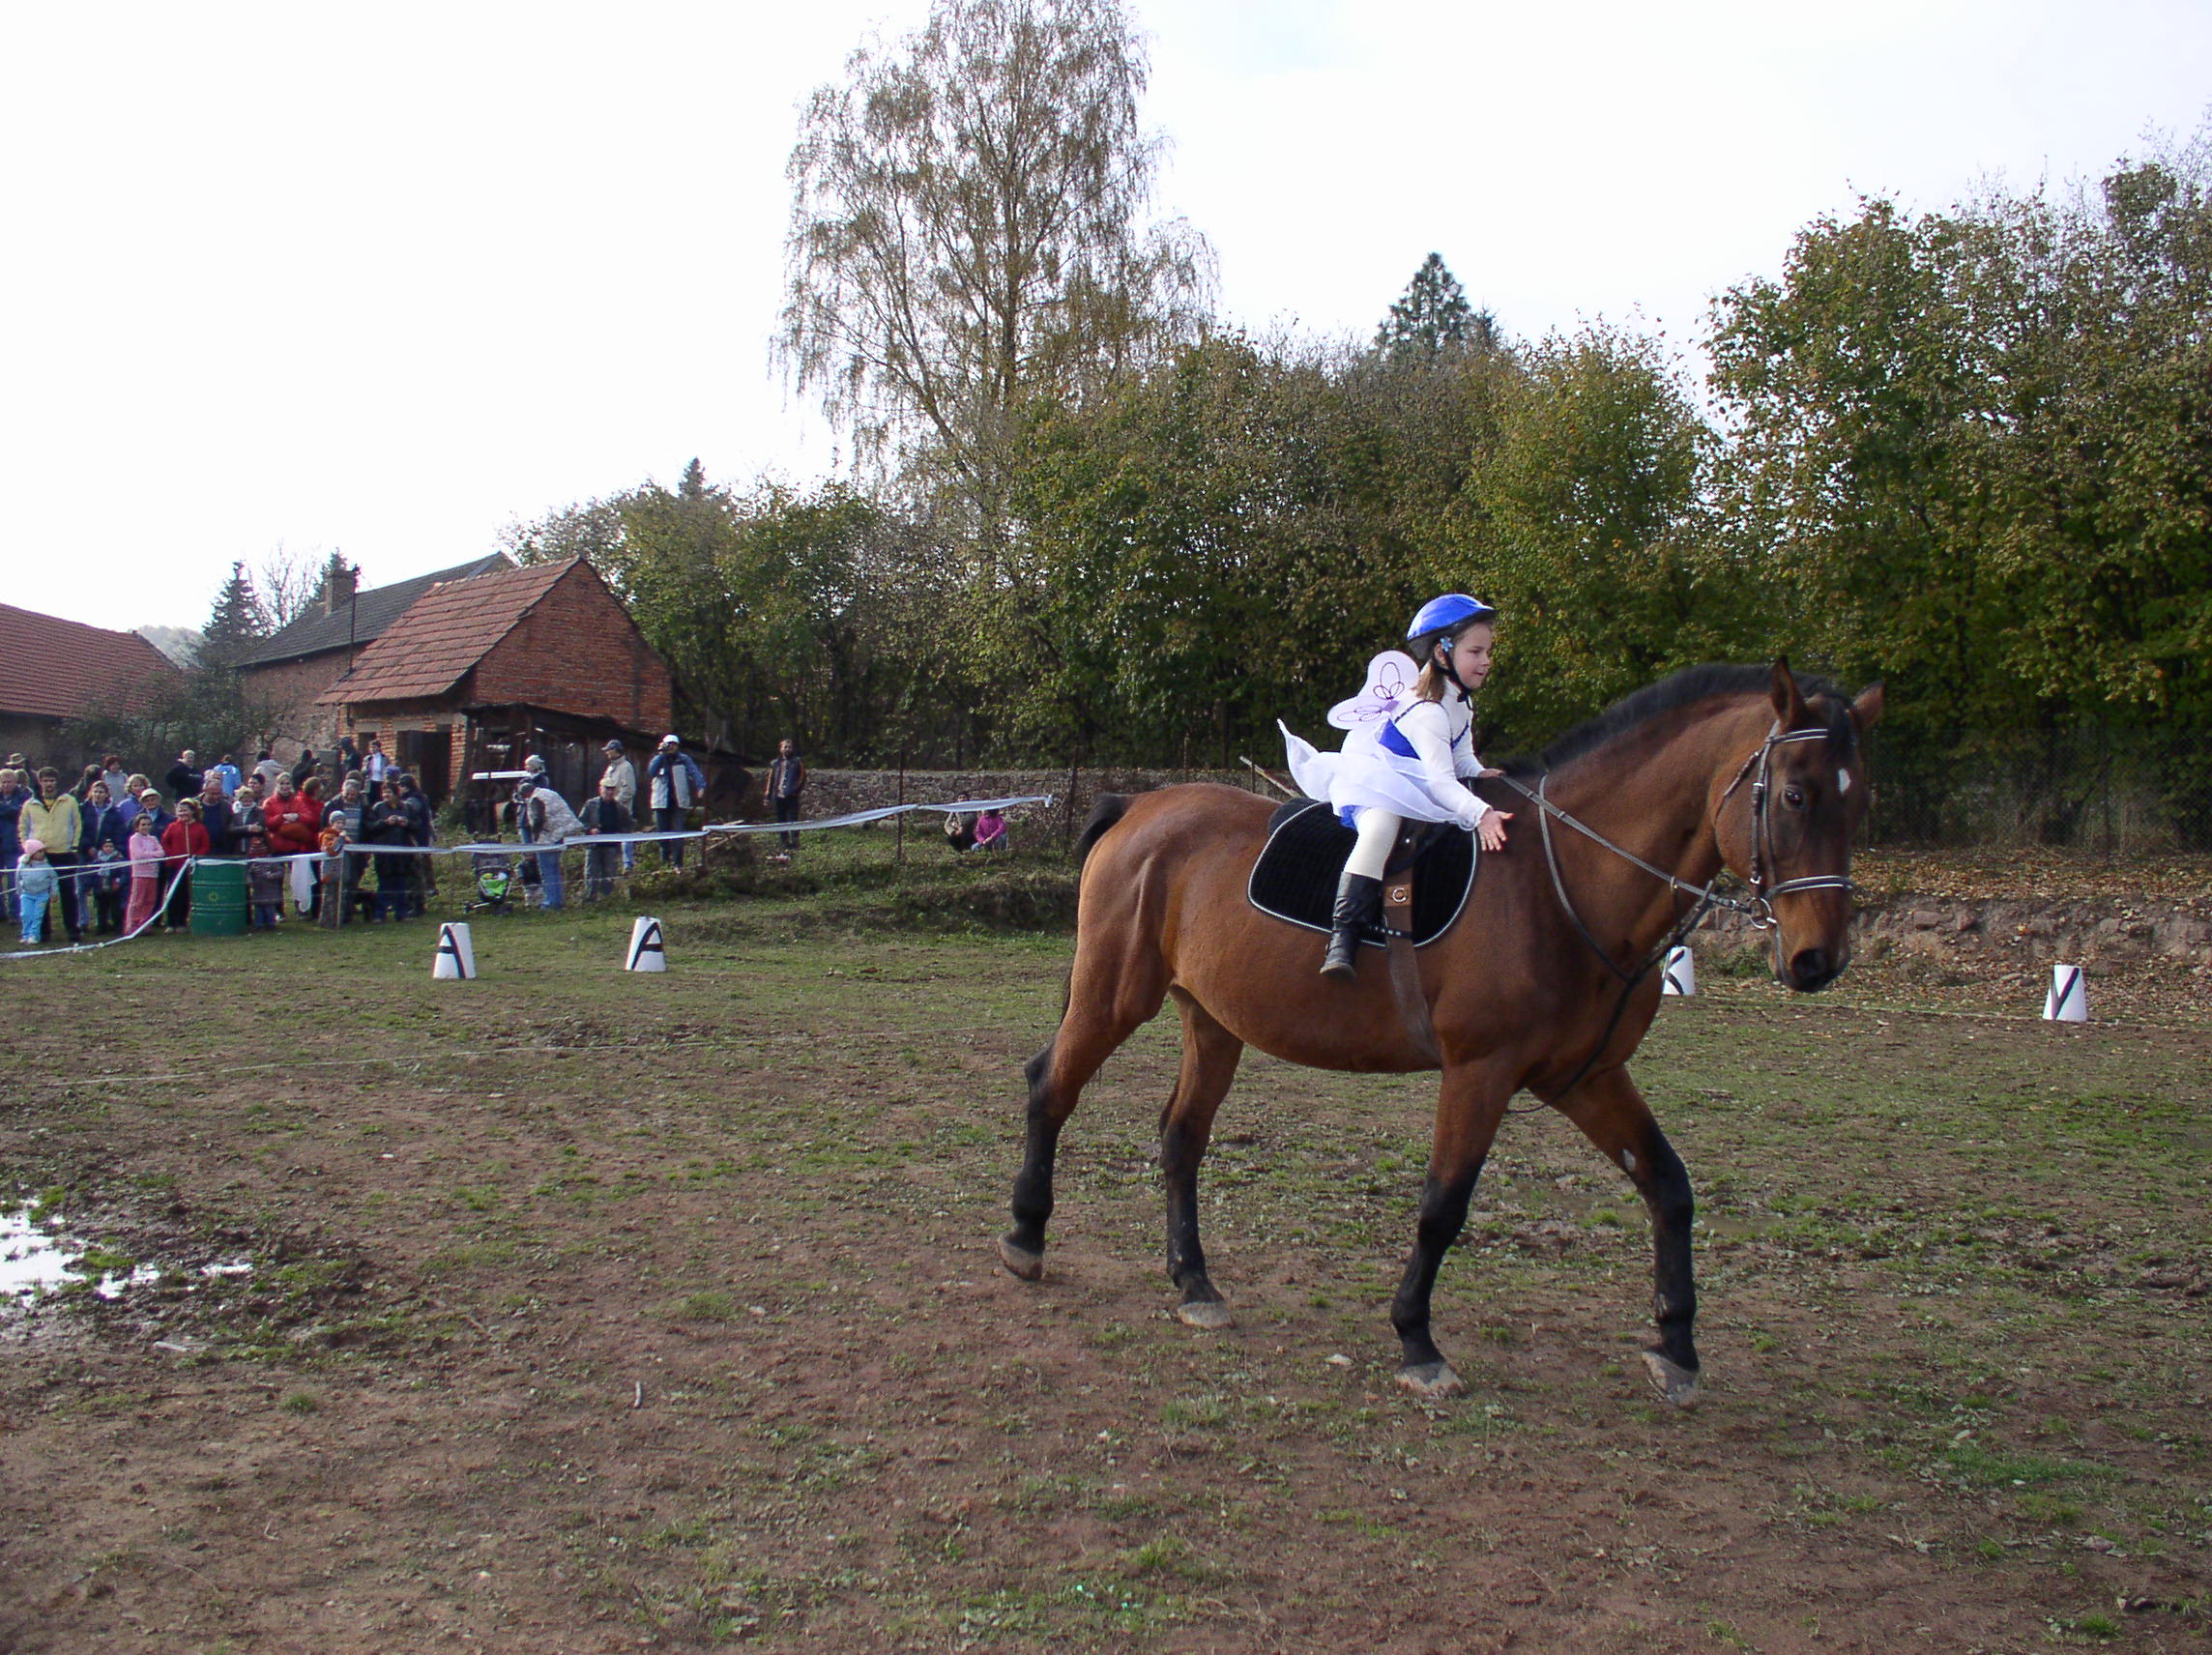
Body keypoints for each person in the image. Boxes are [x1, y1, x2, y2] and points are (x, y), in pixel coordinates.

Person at [1281, 594, 1513, 980]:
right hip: (1377, 782)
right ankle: (1343, 938)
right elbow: (1441, 782)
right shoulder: (1427, 711)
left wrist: (1483, 774)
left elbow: (1461, 760)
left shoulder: (1460, 703)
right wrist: (1482, 814)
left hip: (1415, 783)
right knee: (1380, 830)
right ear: (1442, 653)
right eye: (1476, 651)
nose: (1486, 660)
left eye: (1487, 650)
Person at [22, 769, 84, 944]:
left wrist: (74, 847)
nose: (49, 784)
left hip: (64, 853)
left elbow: (77, 824)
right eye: (45, 781)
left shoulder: (69, 801)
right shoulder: (30, 804)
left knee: (68, 894)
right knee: (41, 894)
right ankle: (43, 931)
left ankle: (72, 930)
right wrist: (29, 849)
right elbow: (23, 828)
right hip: (41, 856)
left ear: (56, 782)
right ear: (40, 782)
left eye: (52, 780)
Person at [513, 776, 579, 909]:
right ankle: (558, 900)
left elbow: (538, 819)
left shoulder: (534, 799)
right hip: (562, 833)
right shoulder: (548, 792)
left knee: (547, 870)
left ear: (526, 794)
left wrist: (535, 837)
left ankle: (552, 901)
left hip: (549, 838)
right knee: (555, 870)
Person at [646, 735, 705, 867]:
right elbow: (651, 771)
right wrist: (661, 754)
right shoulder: (658, 759)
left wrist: (700, 786)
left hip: (678, 802)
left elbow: (695, 772)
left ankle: (678, 864)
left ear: (678, 746)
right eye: (669, 744)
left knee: (678, 833)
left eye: (674, 744)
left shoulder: (684, 759)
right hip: (661, 802)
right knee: (662, 834)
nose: (671, 747)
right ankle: (664, 863)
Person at [363, 780, 415, 920]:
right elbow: (370, 827)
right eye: (384, 792)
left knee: (401, 884)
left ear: (396, 794)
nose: (386, 795)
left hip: (402, 852)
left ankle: (401, 913)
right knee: (384, 884)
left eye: (389, 792)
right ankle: (379, 914)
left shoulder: (406, 808)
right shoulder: (377, 808)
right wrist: (384, 823)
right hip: (384, 853)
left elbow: (417, 826)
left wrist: (407, 824)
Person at [160, 798, 212, 931]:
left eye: (185, 810)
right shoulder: (172, 827)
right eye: (180, 811)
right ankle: (171, 922)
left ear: (193, 812)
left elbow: (205, 845)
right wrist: (171, 856)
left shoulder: (200, 828)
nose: (182, 813)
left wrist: (195, 858)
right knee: (173, 893)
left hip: (190, 867)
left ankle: (182, 922)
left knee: (185, 894)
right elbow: (165, 842)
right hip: (174, 866)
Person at [578, 779, 632, 899]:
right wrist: (590, 830)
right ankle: (590, 898)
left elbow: (628, 825)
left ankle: (605, 898)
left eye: (612, 789)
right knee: (591, 873)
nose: (609, 792)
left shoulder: (620, 808)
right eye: (607, 788)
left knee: (609, 873)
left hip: (611, 846)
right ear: (600, 789)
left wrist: (621, 833)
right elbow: (580, 822)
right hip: (593, 845)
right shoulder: (591, 805)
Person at [238, 793, 280, 928]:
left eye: (249, 799)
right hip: (243, 854)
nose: (247, 801)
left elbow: (279, 870)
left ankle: (271, 922)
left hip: (268, 884)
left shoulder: (259, 813)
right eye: (244, 799)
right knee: (255, 900)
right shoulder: (235, 814)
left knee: (268, 903)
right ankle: (254, 922)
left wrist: (273, 874)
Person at [599, 740, 639, 872]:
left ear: (616, 750)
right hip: (609, 810)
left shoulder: (626, 767)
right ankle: (611, 865)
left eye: (609, 750)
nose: (607, 753)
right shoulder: (610, 768)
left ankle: (628, 864)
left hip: (623, 809)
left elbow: (629, 790)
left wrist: (616, 802)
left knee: (626, 835)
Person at [124, 814, 165, 934]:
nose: (146, 827)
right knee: (137, 900)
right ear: (137, 826)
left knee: (150, 900)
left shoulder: (153, 839)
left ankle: (145, 924)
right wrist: (152, 854)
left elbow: (161, 853)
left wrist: (149, 854)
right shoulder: (134, 839)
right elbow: (138, 855)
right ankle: (132, 926)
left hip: (153, 873)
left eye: (148, 824)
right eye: (143, 824)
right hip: (140, 873)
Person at [765, 739, 804, 854]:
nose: (787, 749)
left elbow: (802, 778)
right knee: (781, 819)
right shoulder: (775, 764)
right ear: (781, 749)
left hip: (791, 795)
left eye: (790, 747)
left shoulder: (797, 762)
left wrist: (795, 791)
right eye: (785, 747)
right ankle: (784, 841)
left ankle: (795, 840)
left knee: (793, 818)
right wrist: (768, 796)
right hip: (779, 795)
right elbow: (771, 780)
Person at [15, 840, 56, 946]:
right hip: (26, 895)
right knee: (26, 915)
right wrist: (19, 891)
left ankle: (34, 935)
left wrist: (54, 892)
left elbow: (54, 878)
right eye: (39, 851)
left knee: (37, 915)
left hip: (41, 895)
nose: (42, 854)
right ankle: (25, 935)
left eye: (43, 851)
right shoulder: (22, 866)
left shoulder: (46, 866)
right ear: (32, 853)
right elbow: (17, 878)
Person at [196, 772, 236, 857]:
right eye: (212, 794)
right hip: (199, 849)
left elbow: (231, 827)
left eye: (218, 793)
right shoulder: (194, 805)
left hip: (221, 850)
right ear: (205, 791)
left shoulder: (226, 807)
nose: (216, 797)